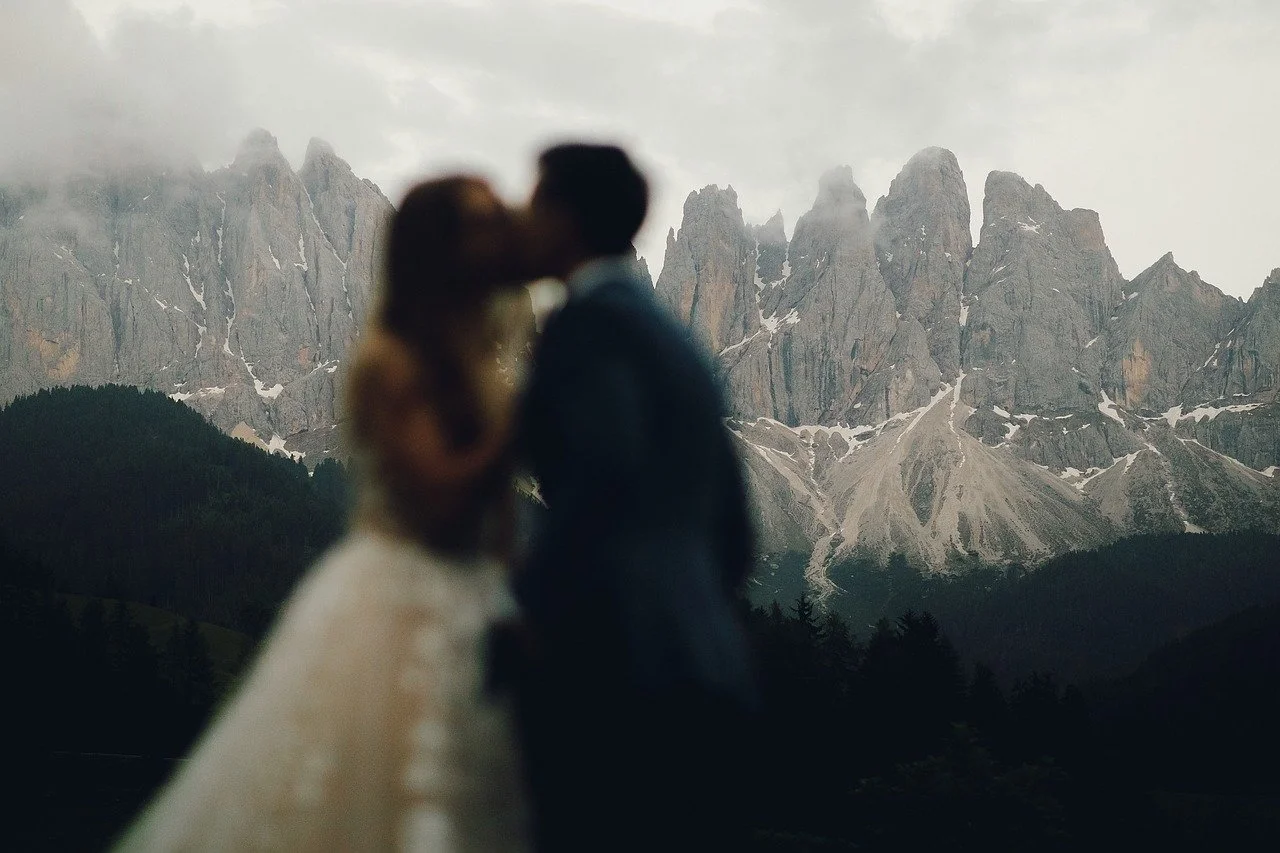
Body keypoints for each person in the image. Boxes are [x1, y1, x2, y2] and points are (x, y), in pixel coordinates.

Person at [114, 176, 533, 852]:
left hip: (472, 598)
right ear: (441, 250)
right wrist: (522, 430)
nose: (497, 237)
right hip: (396, 595)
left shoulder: (471, 355)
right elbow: (435, 493)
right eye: (480, 227)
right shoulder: (390, 360)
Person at [510, 144, 759, 851]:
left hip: (615, 679)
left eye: (536, 203)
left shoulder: (588, 326)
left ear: (566, 218)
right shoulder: (677, 343)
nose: (524, 220)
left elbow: (604, 475)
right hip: (710, 672)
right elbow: (736, 536)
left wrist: (532, 606)